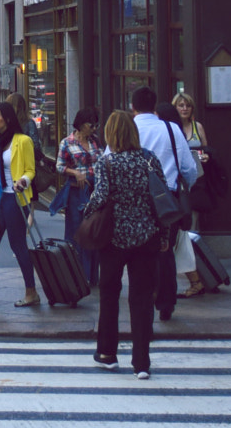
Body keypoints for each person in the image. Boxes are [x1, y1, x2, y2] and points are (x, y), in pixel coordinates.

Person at [88, 110, 170, 379]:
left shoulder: (106, 163)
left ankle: (108, 354)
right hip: (146, 236)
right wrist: (164, 234)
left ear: (111, 135)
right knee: (142, 298)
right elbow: (162, 196)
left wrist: (85, 211)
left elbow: (99, 198)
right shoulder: (149, 159)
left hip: (114, 238)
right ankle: (142, 362)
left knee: (110, 295)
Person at [133, 85, 198, 322]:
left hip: (135, 199)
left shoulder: (129, 128)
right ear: (155, 106)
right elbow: (189, 169)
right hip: (166, 199)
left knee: (137, 251)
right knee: (165, 251)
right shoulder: (172, 129)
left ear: (133, 107)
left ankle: (143, 296)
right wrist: (184, 188)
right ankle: (166, 302)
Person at [0, 102, 40, 309]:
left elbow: (31, 170)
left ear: (7, 119)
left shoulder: (22, 141)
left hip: (15, 198)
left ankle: (31, 291)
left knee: (18, 246)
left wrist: (23, 181)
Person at [170, 92, 211, 297]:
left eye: (187, 105)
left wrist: (205, 156)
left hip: (196, 182)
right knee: (183, 229)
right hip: (179, 185)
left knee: (192, 227)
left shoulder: (198, 127)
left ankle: (195, 269)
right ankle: (190, 270)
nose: (184, 109)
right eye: (181, 105)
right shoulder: (172, 130)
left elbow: (207, 150)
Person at [55, 107, 102, 283]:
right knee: (76, 232)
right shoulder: (67, 142)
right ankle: (77, 274)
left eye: (96, 125)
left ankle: (92, 275)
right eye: (92, 124)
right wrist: (75, 173)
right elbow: (59, 166)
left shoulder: (95, 141)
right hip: (76, 191)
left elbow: (103, 160)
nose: (94, 128)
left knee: (93, 231)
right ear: (82, 124)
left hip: (94, 189)